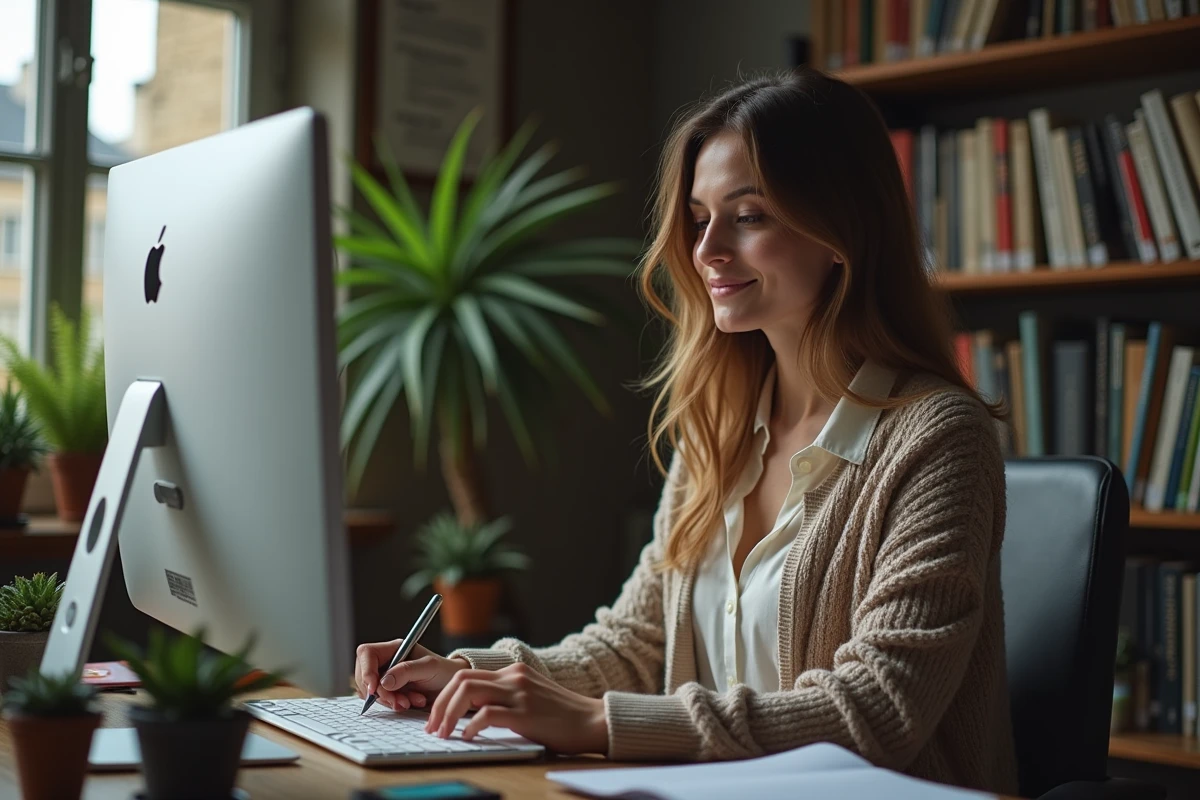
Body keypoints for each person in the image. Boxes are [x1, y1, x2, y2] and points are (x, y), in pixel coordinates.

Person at [354, 67, 1018, 794]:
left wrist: (602, 724)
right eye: (700, 219)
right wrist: (467, 674)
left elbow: (878, 709)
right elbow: (637, 645)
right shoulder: (720, 429)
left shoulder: (937, 438)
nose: (706, 251)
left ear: (843, 231)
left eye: (750, 215)